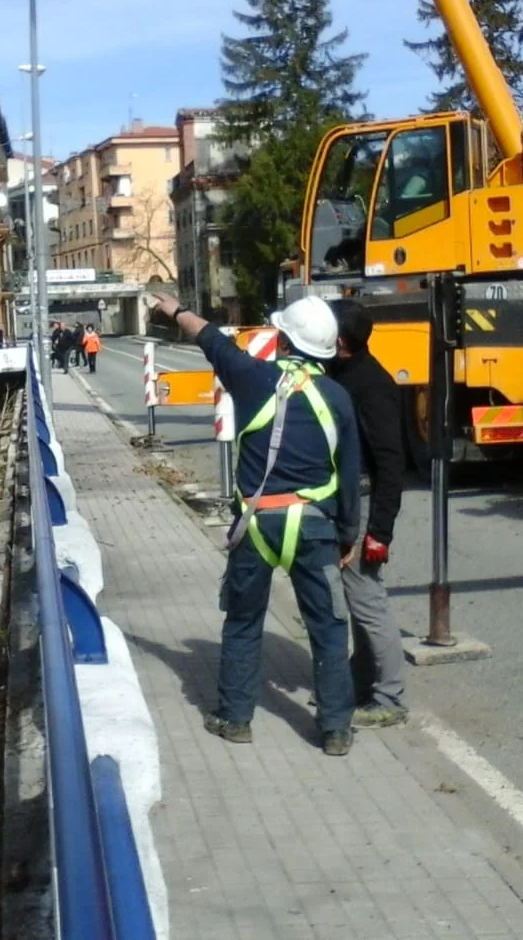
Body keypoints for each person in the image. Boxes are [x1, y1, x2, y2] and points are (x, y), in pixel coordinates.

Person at [152, 292, 362, 756]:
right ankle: (335, 730)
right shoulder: (338, 398)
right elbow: (349, 475)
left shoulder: (252, 377)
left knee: (244, 622)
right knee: (328, 628)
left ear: (283, 340)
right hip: (314, 528)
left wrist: (176, 310)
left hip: (257, 525)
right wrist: (348, 535)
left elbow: (211, 339)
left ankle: (236, 719)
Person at [327, 299, 409, 729]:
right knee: (358, 602)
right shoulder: (338, 372)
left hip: (362, 505)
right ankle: (360, 685)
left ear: (341, 341)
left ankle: (390, 697)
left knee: (368, 601)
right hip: (345, 500)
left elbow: (391, 462)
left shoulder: (372, 385)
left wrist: (379, 530)